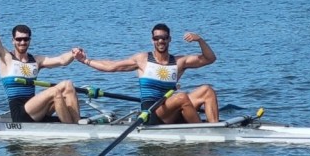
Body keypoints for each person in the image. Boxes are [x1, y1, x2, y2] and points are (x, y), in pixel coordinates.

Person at [74, 24, 219, 124]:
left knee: (207, 90)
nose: (160, 41)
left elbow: (210, 58)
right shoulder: (143, 60)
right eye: (157, 38)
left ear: (169, 39)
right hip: (152, 113)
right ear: (152, 40)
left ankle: (215, 128)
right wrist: (86, 60)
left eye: (164, 37)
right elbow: (112, 66)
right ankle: (204, 131)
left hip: (171, 108)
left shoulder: (179, 62)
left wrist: (199, 39)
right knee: (181, 97)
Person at [0, 0, 80, 123]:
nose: (22, 42)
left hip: (35, 109)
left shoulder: (36, 60)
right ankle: (71, 130)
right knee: (54, 92)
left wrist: (73, 53)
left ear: (29, 40)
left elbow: (61, 61)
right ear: (13, 40)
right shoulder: (4, 57)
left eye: (25, 39)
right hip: (19, 114)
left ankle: (78, 123)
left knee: (68, 85)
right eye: (19, 39)